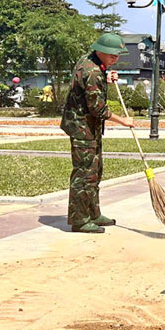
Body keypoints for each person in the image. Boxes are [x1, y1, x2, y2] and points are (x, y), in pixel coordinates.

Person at [60, 34, 136, 234]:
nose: (115, 59)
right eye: (112, 55)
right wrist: (123, 121)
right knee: (85, 174)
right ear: (100, 51)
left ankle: (93, 213)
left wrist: (106, 76)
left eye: (118, 55)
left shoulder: (90, 62)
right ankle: (80, 220)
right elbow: (98, 109)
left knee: (95, 171)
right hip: (82, 127)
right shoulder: (93, 72)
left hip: (88, 127)